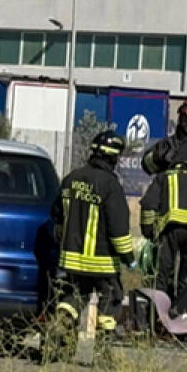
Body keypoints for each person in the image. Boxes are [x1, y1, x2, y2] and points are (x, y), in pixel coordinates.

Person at [53, 130, 135, 333]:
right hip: (102, 262)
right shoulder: (110, 185)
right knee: (111, 296)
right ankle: (103, 344)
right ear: (114, 157)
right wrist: (129, 259)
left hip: (71, 260)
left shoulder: (71, 179)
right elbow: (118, 229)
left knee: (74, 294)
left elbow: (56, 215)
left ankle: (61, 324)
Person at [140, 159, 187, 316]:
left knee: (162, 274)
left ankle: (157, 316)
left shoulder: (164, 177)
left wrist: (148, 231)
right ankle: (182, 315)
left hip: (171, 228)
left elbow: (148, 205)